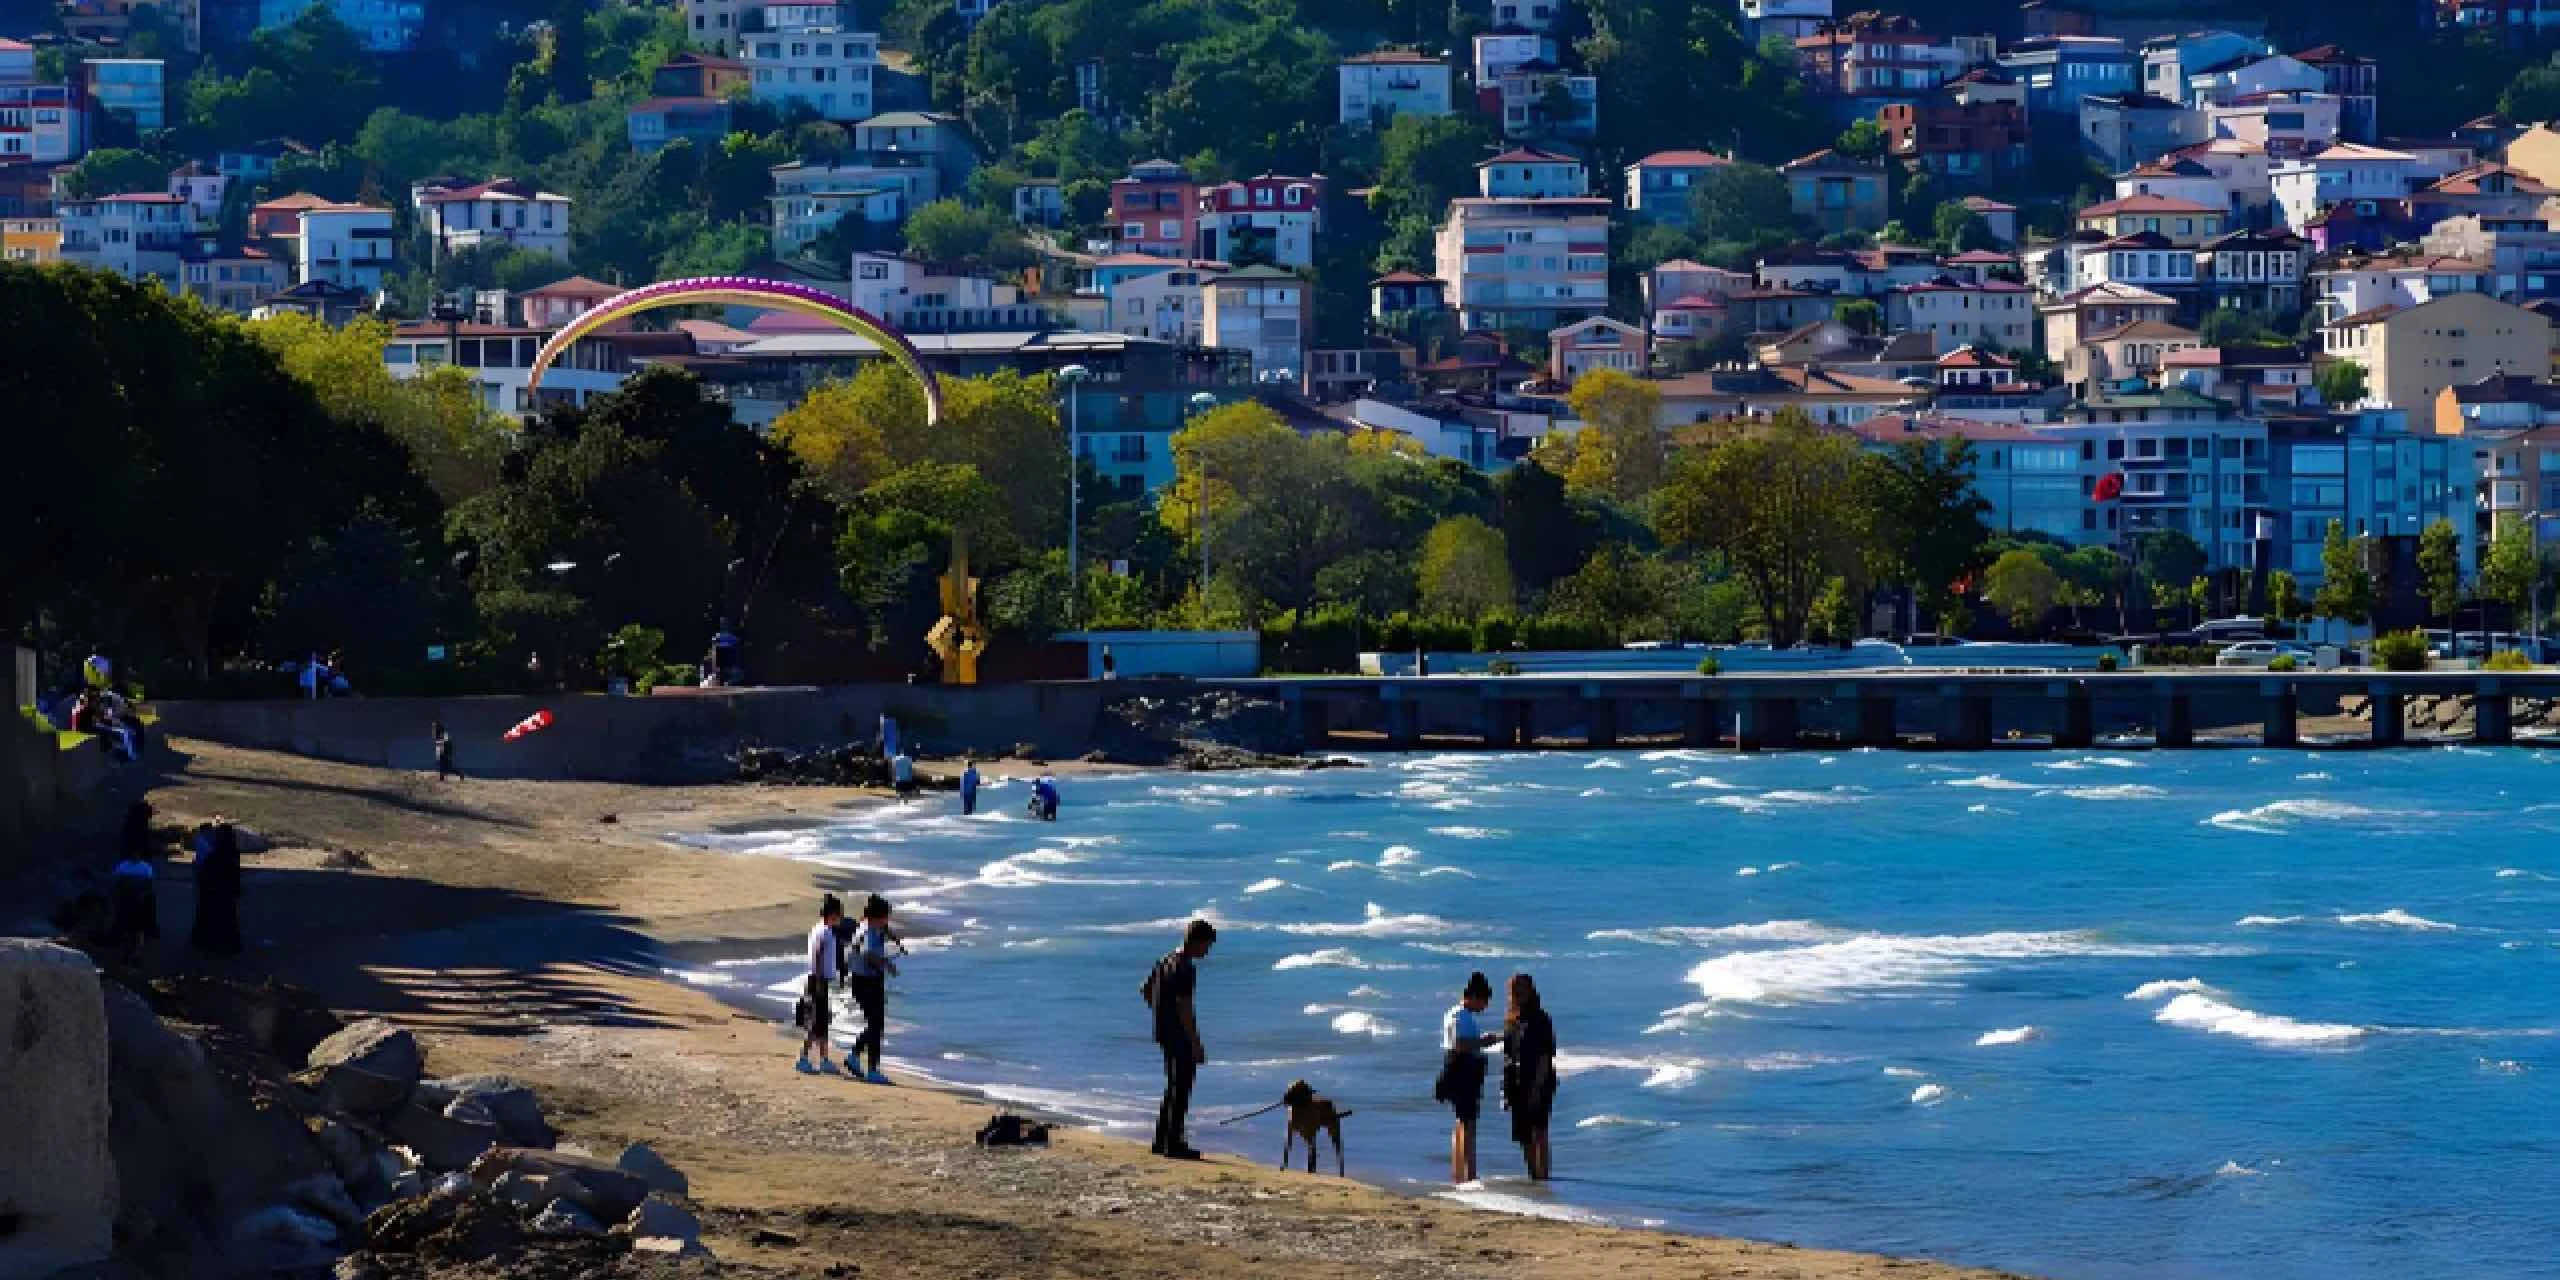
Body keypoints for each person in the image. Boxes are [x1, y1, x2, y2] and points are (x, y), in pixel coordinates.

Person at [1143, 918, 1216, 1159]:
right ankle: (1173, 1143)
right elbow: (1185, 1008)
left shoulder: (1165, 960)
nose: (1207, 951)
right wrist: (1196, 1043)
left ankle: (1161, 1139)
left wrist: (1160, 1011)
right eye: (1206, 945)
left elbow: (1146, 990)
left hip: (1163, 1032)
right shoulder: (1185, 968)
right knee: (1182, 1087)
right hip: (1178, 1034)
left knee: (1173, 1086)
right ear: (1197, 942)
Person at [1436, 971, 1500, 1184]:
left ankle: (1459, 1172)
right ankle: (1468, 1174)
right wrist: (1484, 1042)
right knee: (1468, 1123)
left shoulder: (1462, 1015)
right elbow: (1460, 1044)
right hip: (1461, 1071)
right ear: (1473, 996)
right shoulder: (1459, 1016)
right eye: (1484, 1001)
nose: (1485, 1007)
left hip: (1463, 1070)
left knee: (1462, 1122)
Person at [1501, 973, 1559, 1181]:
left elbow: (1546, 1055)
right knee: (1522, 1134)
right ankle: (1534, 1175)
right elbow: (1508, 1054)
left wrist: (1537, 1087)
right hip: (1515, 1080)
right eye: (1513, 990)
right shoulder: (1510, 1018)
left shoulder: (1541, 1019)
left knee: (1539, 1129)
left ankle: (1543, 1176)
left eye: (1521, 989)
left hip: (1539, 1078)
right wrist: (1505, 1088)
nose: (1517, 993)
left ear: (1531, 990)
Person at [843, 894, 900, 1084]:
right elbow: (868, 953)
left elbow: (884, 931)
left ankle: (855, 1056)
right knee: (876, 1025)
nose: (888, 920)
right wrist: (886, 964)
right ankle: (872, 1069)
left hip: (862, 981)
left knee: (875, 1024)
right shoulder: (869, 932)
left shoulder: (867, 926)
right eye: (886, 916)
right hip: (867, 982)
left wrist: (893, 938)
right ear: (877, 916)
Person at [797, 895, 845, 1074]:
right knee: (815, 1022)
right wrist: (818, 980)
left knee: (822, 1022)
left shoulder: (823, 930)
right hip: (817, 981)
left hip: (819, 980)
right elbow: (817, 954)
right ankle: (802, 1058)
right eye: (839, 914)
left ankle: (824, 1059)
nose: (840, 917)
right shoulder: (823, 931)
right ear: (832, 914)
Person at [189, 819, 243, 955]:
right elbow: (234, 873)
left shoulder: (214, 854)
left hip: (212, 891)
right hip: (225, 892)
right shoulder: (232, 852)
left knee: (211, 916)